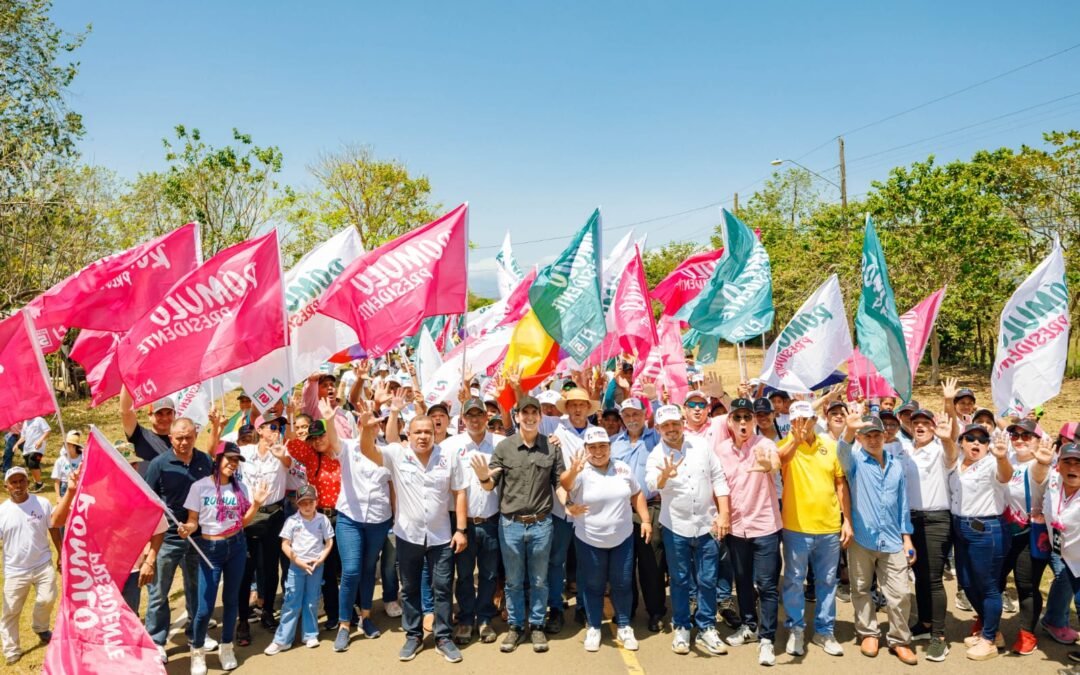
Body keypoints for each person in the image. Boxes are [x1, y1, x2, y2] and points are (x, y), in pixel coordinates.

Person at [356, 403, 468, 664]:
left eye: (427, 431)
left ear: (435, 432)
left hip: (441, 536)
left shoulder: (449, 456)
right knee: (410, 588)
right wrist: (365, 428)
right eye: (417, 431)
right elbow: (367, 449)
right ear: (408, 432)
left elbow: (460, 491)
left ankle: (443, 637)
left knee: (441, 587)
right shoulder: (397, 454)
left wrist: (461, 530)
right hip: (408, 535)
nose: (423, 436)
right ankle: (414, 635)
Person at [472, 395, 565, 654]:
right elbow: (491, 484)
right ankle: (515, 627)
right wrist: (482, 479)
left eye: (534, 412)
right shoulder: (503, 448)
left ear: (540, 416)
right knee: (513, 581)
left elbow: (559, 483)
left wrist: (568, 503)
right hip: (510, 524)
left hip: (541, 524)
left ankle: (536, 625)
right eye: (525, 412)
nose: (530, 417)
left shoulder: (552, 447)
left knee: (539, 579)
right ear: (517, 415)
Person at [179, 441, 271, 674]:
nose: (232, 464)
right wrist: (188, 529)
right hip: (210, 549)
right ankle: (197, 651)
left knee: (231, 601)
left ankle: (226, 646)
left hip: (237, 546)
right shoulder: (200, 487)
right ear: (217, 460)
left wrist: (257, 503)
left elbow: (242, 522)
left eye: (236, 460)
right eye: (228, 458)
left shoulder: (240, 488)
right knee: (204, 607)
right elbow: (192, 520)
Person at [646, 405, 730, 655]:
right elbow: (652, 484)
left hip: (707, 525)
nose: (671, 429)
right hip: (676, 527)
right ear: (658, 429)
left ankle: (706, 627)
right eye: (665, 426)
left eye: (675, 424)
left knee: (707, 578)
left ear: (682, 423)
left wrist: (724, 513)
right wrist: (664, 477)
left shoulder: (701, 446)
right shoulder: (655, 455)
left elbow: (718, 479)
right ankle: (682, 625)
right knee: (680, 580)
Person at [837, 411, 918, 665]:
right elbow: (842, 452)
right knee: (861, 588)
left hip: (893, 539)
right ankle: (868, 632)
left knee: (900, 593)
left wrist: (907, 538)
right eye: (867, 436)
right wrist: (849, 430)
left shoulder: (895, 464)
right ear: (860, 439)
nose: (872, 440)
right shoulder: (855, 462)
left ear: (885, 436)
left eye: (876, 435)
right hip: (862, 538)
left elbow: (903, 504)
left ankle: (899, 640)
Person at [561, 427, 652, 653]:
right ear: (586, 449)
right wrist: (572, 470)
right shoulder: (580, 470)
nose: (598, 451)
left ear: (610, 447)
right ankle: (593, 626)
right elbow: (564, 484)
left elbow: (637, 493)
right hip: (589, 539)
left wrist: (646, 519)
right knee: (593, 585)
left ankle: (623, 625)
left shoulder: (622, 468)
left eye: (603, 446)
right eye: (593, 447)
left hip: (622, 538)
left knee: (621, 584)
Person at [776, 403, 851, 658]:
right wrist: (795, 441)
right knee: (794, 581)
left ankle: (824, 630)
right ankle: (796, 629)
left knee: (828, 582)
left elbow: (840, 484)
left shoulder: (830, 445)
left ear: (814, 419)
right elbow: (779, 462)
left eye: (806, 419)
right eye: (796, 420)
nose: (801, 425)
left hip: (829, 527)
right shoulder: (785, 444)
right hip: (796, 527)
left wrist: (847, 521)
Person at [142, 416, 216, 663]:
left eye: (188, 437)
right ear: (171, 438)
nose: (184, 442)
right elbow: (147, 502)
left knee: (197, 589)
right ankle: (157, 640)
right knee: (159, 592)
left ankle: (197, 635)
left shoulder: (205, 461)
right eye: (179, 438)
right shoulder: (159, 464)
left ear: (195, 435)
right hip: (168, 538)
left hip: (199, 537)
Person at [714, 398, 782, 666]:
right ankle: (749, 626)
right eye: (738, 417)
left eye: (747, 417)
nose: (743, 422)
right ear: (730, 422)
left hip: (764, 525)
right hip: (736, 528)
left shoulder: (764, 445)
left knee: (765, 585)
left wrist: (769, 466)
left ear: (754, 421)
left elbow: (774, 461)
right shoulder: (721, 450)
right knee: (741, 581)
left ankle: (767, 638)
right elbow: (718, 484)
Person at [332, 389, 394, 647]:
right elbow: (330, 440)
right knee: (352, 570)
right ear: (359, 424)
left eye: (376, 422)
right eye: (365, 422)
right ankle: (344, 624)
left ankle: (366, 617)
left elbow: (392, 488)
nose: (370, 426)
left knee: (369, 569)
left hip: (379, 520)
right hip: (349, 518)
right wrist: (327, 418)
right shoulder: (347, 448)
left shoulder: (388, 452)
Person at [895, 407, 956, 662]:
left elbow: (952, 453)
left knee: (932, 578)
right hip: (912, 520)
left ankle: (939, 638)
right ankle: (926, 622)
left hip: (936, 519)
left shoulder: (941, 448)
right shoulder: (906, 449)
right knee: (919, 575)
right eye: (915, 422)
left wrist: (946, 436)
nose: (919, 426)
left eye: (925, 423)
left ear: (933, 427)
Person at [442, 397, 504, 645]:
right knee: (465, 574)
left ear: (487, 418)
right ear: (463, 419)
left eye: (480, 415)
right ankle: (467, 619)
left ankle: (485, 618)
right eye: (470, 416)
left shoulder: (501, 444)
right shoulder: (450, 445)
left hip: (491, 520)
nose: (476, 420)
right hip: (462, 523)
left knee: (489, 574)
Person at [950, 423, 1011, 660]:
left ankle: (988, 640)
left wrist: (1003, 457)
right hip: (961, 528)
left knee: (987, 586)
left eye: (982, 440)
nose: (976, 443)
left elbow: (1005, 476)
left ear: (988, 446)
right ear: (962, 442)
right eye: (971, 438)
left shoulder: (992, 463)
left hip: (986, 530)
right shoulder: (956, 464)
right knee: (966, 582)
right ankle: (992, 630)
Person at [611, 396, 666, 632]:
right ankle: (628, 608)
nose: (632, 418)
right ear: (622, 418)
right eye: (627, 415)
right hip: (621, 508)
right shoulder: (614, 443)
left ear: (645, 415)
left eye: (636, 414)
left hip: (651, 507)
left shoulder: (656, 438)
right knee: (623, 563)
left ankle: (655, 611)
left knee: (651, 562)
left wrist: (655, 396)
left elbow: (668, 420)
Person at [998, 425, 1055, 655]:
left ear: (1037, 440)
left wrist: (1042, 462)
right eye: (1015, 435)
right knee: (994, 579)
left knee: (1026, 585)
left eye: (1026, 435)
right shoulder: (1008, 458)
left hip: (1028, 534)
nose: (1019, 439)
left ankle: (1027, 632)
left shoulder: (1037, 464)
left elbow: (1039, 477)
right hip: (1003, 532)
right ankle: (988, 622)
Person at [286, 416, 345, 630]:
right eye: (314, 437)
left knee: (348, 566)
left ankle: (351, 612)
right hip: (320, 518)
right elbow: (291, 444)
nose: (318, 440)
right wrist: (292, 414)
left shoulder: (342, 454)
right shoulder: (311, 457)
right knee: (327, 569)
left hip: (344, 516)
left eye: (322, 435)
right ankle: (333, 613)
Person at [265, 484, 334, 654]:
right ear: (297, 503)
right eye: (303, 503)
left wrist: (321, 559)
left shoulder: (322, 520)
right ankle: (282, 640)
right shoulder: (292, 521)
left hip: (316, 566)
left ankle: (310, 634)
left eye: (310, 502)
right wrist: (297, 561)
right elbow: (285, 545)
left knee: (312, 601)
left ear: (316, 502)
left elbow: (329, 542)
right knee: (291, 601)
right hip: (297, 567)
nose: (307, 506)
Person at [0, 467, 59, 666]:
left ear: (28, 482)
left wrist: (61, 553)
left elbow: (53, 528)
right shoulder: (2, 512)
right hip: (16, 570)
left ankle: (41, 628)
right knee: (11, 612)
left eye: (21, 481)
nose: (18, 485)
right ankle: (11, 650)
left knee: (48, 599)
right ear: (6, 486)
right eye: (13, 482)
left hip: (43, 565)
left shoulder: (42, 503)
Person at [1040, 443, 1080, 665]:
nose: (1072, 467)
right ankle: (1053, 621)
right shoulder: (1054, 485)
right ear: (1059, 465)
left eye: (1078, 463)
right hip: (1067, 557)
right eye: (1068, 461)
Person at [121, 389, 176, 473]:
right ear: (150, 416)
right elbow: (125, 412)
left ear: (174, 415)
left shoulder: (181, 440)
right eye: (159, 413)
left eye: (169, 413)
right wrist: (126, 380)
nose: (164, 418)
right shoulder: (139, 435)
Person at [16, 416, 49, 492]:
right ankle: (37, 483)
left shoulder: (39, 419)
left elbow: (47, 431)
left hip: (37, 448)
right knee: (31, 466)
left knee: (33, 463)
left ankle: (39, 484)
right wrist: (16, 444)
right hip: (27, 449)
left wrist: (40, 440)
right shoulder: (25, 423)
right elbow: (23, 436)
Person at [51, 430, 84, 498]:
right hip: (64, 485)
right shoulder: (60, 460)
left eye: (68, 444)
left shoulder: (83, 458)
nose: (66, 446)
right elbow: (57, 480)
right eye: (65, 444)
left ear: (74, 446)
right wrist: (58, 496)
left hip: (80, 485)